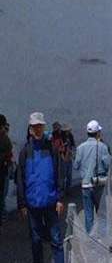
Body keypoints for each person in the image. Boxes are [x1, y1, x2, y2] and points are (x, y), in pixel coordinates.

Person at [16, 112, 65, 263]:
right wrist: (22, 203)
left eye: (40, 126)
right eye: (35, 127)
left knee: (56, 239)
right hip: (33, 204)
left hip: (51, 202)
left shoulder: (51, 149)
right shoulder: (25, 152)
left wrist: (59, 198)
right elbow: (20, 179)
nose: (37, 129)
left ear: (43, 127)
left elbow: (59, 173)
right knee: (36, 242)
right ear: (30, 128)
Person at [74, 120, 111, 235]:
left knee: (88, 214)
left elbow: (76, 165)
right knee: (102, 213)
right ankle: (103, 237)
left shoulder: (80, 148)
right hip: (99, 183)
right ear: (98, 133)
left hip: (85, 184)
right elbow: (107, 164)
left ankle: (91, 239)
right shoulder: (103, 147)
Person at [0, 114, 13, 230]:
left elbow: (8, 154)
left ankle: (2, 216)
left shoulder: (5, 139)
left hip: (3, 171)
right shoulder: (4, 138)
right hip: (3, 171)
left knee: (2, 195)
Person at [61, 124, 75, 190]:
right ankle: (63, 189)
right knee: (63, 175)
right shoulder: (61, 137)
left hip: (68, 157)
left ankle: (68, 189)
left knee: (69, 175)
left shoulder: (70, 136)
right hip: (63, 157)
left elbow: (72, 145)